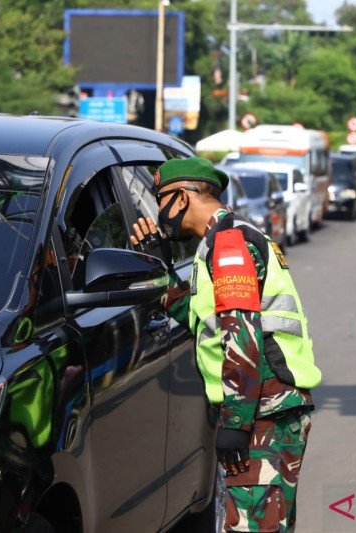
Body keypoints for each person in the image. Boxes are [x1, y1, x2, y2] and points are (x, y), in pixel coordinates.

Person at [129, 157, 322, 533]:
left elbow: (241, 336)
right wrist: (162, 273)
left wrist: (235, 422)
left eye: (160, 199)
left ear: (181, 198)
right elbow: (208, 324)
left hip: (262, 413)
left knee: (251, 527)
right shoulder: (223, 241)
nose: (158, 212)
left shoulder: (229, 244)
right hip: (265, 408)